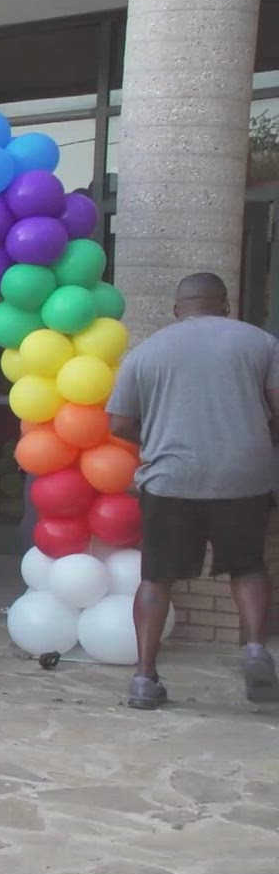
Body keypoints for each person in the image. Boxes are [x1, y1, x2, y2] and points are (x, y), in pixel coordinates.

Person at [107, 272, 279, 710]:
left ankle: (145, 678)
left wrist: (161, 436)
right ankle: (256, 649)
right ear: (225, 304)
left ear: (177, 307)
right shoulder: (260, 343)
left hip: (170, 477)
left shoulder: (146, 352)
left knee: (156, 576)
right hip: (244, 475)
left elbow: (120, 424)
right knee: (247, 566)